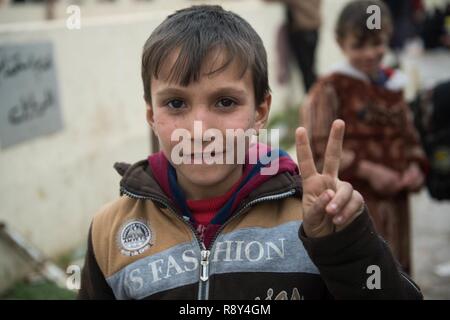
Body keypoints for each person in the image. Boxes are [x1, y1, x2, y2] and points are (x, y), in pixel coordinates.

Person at [78, 5, 421, 300]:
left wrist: (345, 246)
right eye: (176, 103)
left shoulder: (310, 218)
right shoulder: (110, 231)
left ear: (260, 112)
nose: (201, 130)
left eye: (225, 102)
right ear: (152, 115)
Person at [301, 0, 428, 275]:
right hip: (353, 206)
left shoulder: (394, 85)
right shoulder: (330, 89)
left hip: (397, 207)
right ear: (340, 42)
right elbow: (317, 148)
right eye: (359, 45)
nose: (370, 53)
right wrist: (368, 170)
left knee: (396, 272)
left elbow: (409, 135)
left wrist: (416, 166)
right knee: (363, 275)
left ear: (389, 35)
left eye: (378, 43)